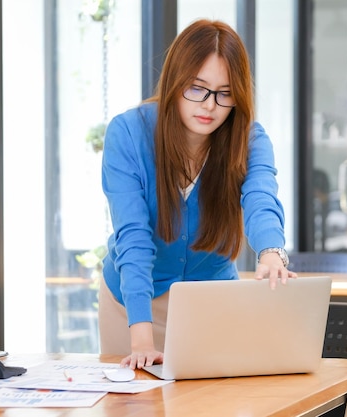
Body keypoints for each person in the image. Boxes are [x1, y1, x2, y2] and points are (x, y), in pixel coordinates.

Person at [98, 18, 297, 369]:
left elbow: (261, 198)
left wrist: (271, 252)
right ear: (175, 80)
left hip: (213, 302)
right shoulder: (128, 133)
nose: (209, 105)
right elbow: (133, 236)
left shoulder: (249, 138)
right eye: (197, 88)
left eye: (225, 93)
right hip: (133, 303)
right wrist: (141, 338)